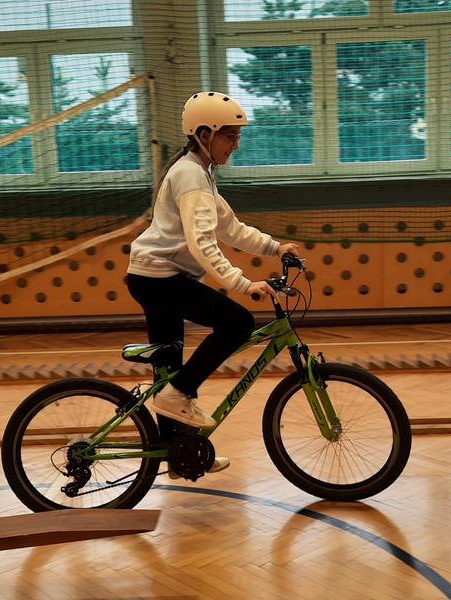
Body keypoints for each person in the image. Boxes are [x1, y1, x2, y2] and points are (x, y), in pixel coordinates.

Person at [126, 91, 301, 475]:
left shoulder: (198, 171)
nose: (236, 144)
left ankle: (178, 455)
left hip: (152, 276)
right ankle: (179, 397)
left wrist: (274, 247)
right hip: (160, 278)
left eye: (238, 136)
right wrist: (243, 283)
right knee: (237, 322)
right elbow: (202, 242)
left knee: (168, 369)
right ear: (204, 134)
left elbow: (230, 228)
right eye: (229, 136)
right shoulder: (190, 175)